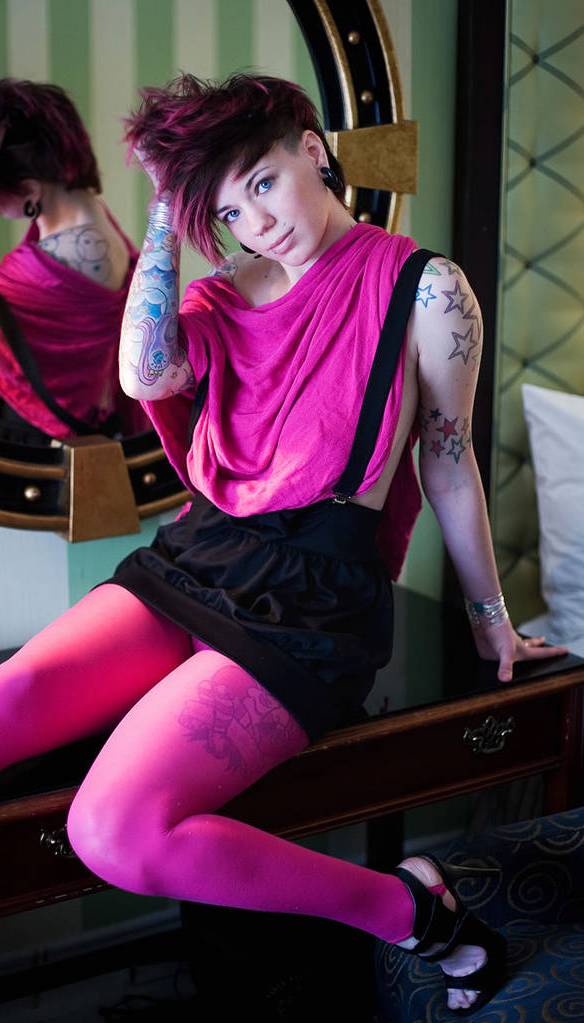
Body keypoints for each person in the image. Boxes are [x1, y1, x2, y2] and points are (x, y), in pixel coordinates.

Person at [0, 74, 568, 1015]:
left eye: (262, 183)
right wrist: (164, 205)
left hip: (314, 601)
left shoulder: (427, 289)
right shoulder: (222, 296)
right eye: (227, 211)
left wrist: (490, 622)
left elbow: (448, 463)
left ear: (311, 149)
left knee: (112, 828)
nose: (256, 223)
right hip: (196, 557)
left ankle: (412, 911)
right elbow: (142, 373)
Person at [0, 78, 149, 444]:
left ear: (30, 190)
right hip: (91, 420)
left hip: (33, 440)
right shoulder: (95, 217)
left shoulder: (48, 265)